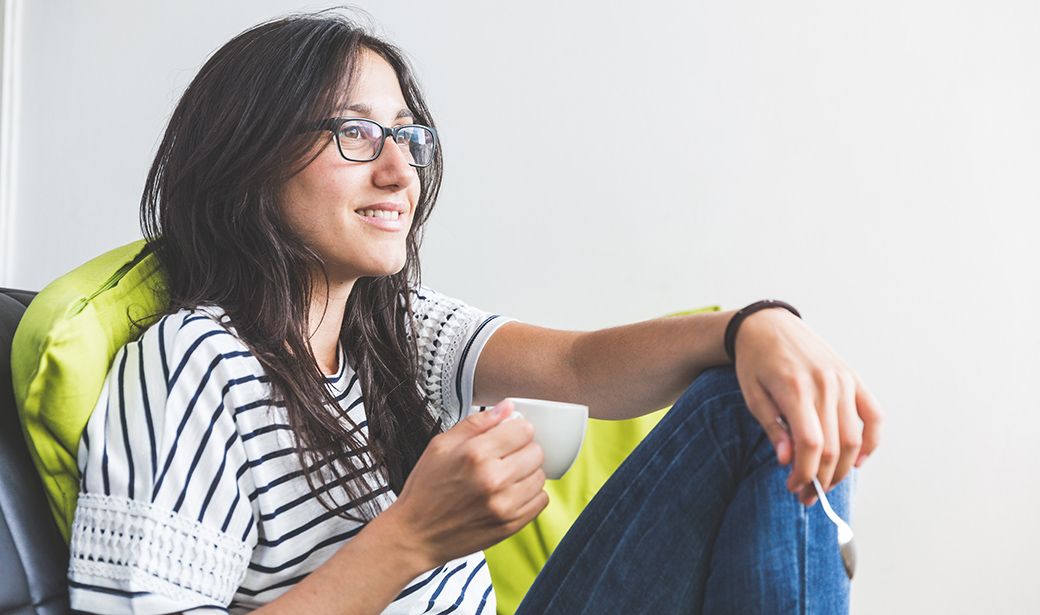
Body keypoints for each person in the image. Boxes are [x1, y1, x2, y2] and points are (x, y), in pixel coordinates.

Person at [65, 9, 884, 615]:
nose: (398, 170)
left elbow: (578, 367)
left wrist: (756, 327)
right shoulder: (195, 362)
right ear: (248, 153)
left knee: (755, 397)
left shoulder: (394, 330)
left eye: (405, 136)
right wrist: (412, 536)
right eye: (355, 133)